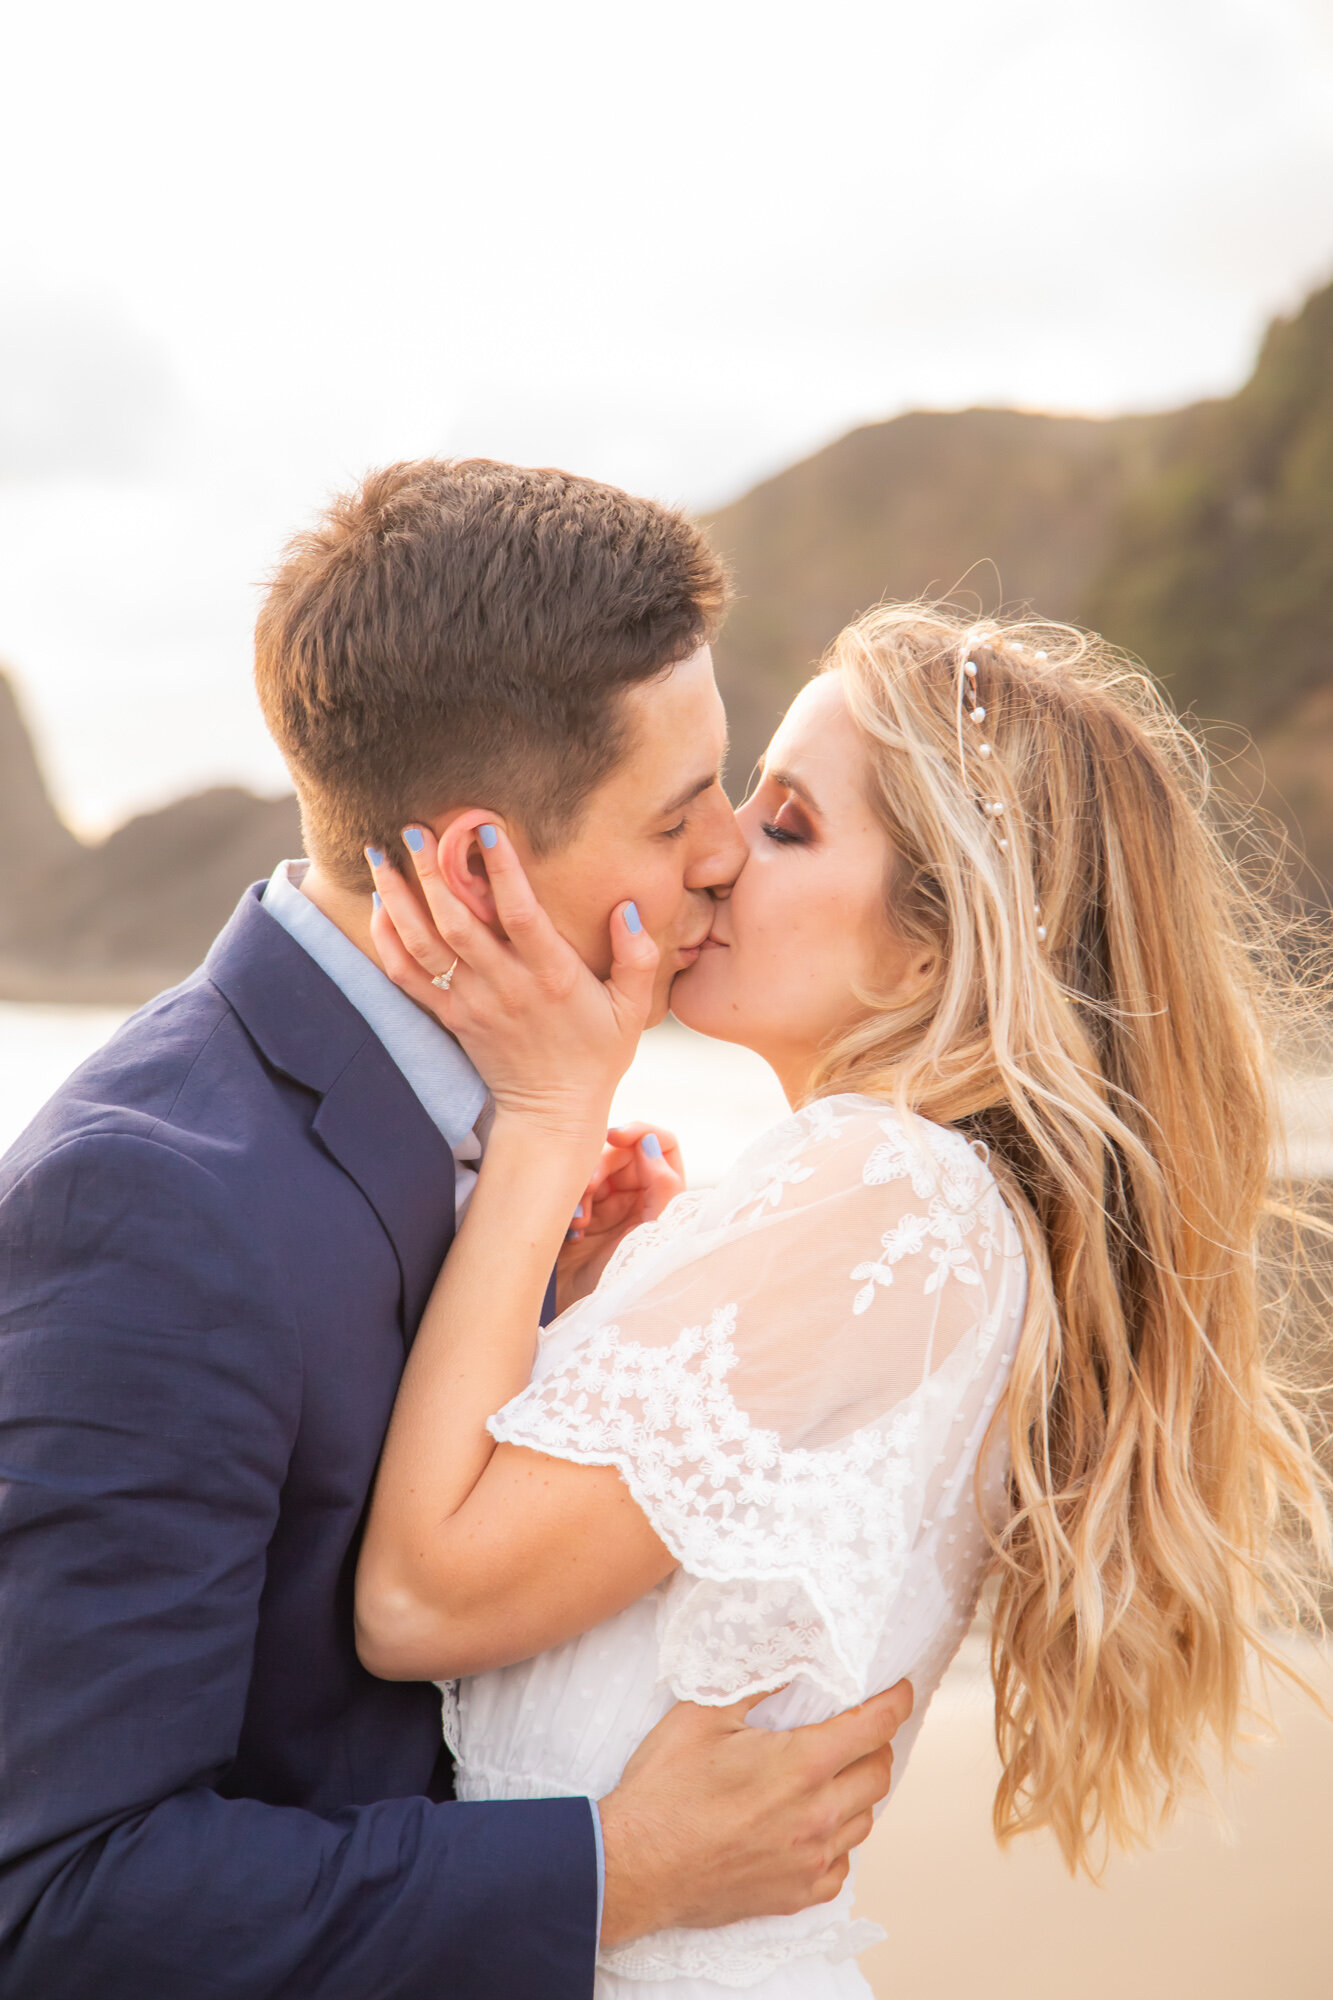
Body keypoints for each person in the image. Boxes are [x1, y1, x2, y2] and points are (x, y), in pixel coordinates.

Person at [0, 461, 912, 1999]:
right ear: (478, 862)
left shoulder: (501, 1126)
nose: (721, 858)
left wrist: (567, 1308)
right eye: (681, 811)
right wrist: (622, 1869)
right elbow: (63, 1899)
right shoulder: (150, 1204)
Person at [355, 600, 1333, 1998]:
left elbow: (415, 1601)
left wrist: (544, 1116)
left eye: (787, 825)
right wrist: (576, 1302)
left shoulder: (889, 1192)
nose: (713, 853)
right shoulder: (919, 1212)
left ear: (937, 946)